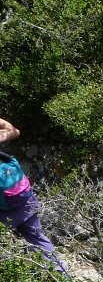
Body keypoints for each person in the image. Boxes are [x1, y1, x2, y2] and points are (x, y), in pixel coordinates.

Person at [0, 117, 66, 273]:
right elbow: (15, 131)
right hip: (23, 200)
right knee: (38, 238)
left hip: (4, 211)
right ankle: (62, 276)